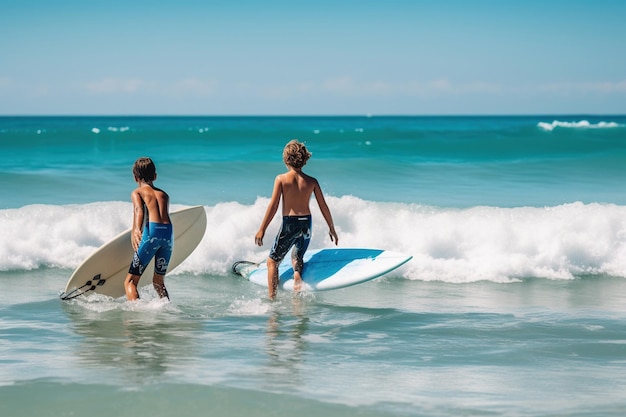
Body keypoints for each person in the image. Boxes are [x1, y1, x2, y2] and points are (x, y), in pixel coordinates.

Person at [255, 140, 339, 299]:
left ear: (286, 159)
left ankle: (272, 300)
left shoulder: (281, 179)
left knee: (272, 262)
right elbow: (323, 206)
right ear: (305, 159)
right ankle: (297, 276)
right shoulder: (312, 181)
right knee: (297, 255)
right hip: (306, 223)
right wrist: (331, 228)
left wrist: (262, 229)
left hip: (290, 224)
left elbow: (273, 207)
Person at [124, 157, 173, 301]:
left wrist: (136, 230)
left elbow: (139, 210)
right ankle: (167, 308)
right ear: (155, 176)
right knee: (158, 282)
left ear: (135, 177)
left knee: (130, 282)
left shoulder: (137, 192)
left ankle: (136, 313)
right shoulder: (164, 195)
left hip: (152, 232)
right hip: (168, 234)